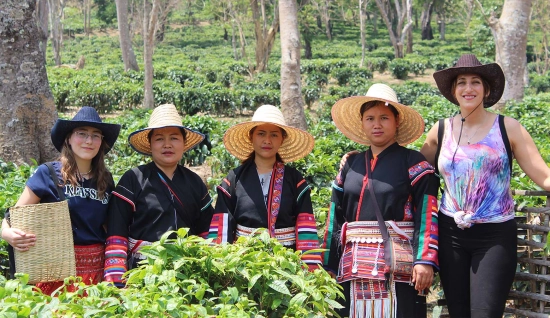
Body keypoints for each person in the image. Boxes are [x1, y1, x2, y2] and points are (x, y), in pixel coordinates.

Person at [421, 54, 550, 317]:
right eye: (462, 82)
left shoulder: (508, 128)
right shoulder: (440, 130)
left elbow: (544, 176)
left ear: (487, 89)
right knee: (459, 312)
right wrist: (359, 158)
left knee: (486, 313)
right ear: (453, 90)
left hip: (495, 236)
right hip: (450, 234)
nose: (468, 88)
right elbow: (415, 173)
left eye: (475, 82)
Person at [323, 83, 439, 318]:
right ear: (362, 123)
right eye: (370, 118)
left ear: (397, 122)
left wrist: (424, 260)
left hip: (399, 267)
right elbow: (335, 217)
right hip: (353, 267)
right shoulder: (350, 165)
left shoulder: (414, 163)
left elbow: (427, 214)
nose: (377, 124)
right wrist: (327, 265)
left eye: (384, 118)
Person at [1, 106, 121, 295]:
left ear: (101, 142)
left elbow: (108, 225)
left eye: (96, 135)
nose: (89, 141)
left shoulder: (105, 179)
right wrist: (6, 233)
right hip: (56, 271)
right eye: (82, 133)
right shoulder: (48, 173)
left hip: (96, 275)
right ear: (68, 138)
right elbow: (13, 214)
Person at [103, 104, 215, 287]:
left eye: (174, 138)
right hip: (142, 272)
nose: (167, 144)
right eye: (159, 139)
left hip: (186, 271)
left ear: (184, 144)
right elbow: (117, 231)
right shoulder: (133, 179)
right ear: (150, 144)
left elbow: (207, 230)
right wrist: (117, 282)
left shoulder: (195, 182)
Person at [208, 105, 322, 270]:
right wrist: (220, 266)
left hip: (286, 264)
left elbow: (305, 226)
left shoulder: (295, 180)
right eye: (261, 134)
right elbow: (222, 227)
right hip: (245, 265)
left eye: (274, 135)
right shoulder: (234, 179)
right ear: (251, 137)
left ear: (282, 139)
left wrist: (309, 269)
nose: (267, 140)